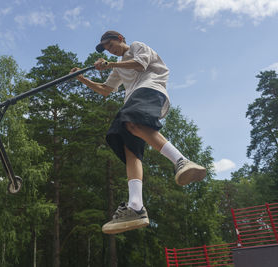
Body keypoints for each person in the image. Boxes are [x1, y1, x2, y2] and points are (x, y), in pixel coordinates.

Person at [70, 31, 206, 234]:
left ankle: (181, 161)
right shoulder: (117, 67)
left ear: (120, 39)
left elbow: (140, 65)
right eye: (106, 48)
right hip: (134, 100)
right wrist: (82, 79)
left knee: (131, 123)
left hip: (151, 90)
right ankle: (136, 207)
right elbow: (106, 90)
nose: (110, 49)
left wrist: (110, 64)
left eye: (110, 44)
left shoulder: (136, 47)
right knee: (127, 145)